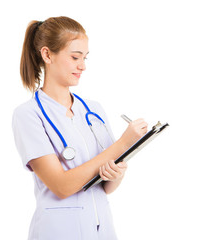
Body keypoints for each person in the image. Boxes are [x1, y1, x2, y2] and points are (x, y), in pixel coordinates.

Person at [12, 16, 148, 240]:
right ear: (47, 55)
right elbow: (61, 186)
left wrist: (116, 173)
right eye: (75, 57)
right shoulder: (28, 115)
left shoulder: (93, 110)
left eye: (85, 58)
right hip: (58, 232)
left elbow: (106, 187)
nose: (83, 66)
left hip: (102, 229)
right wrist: (123, 143)